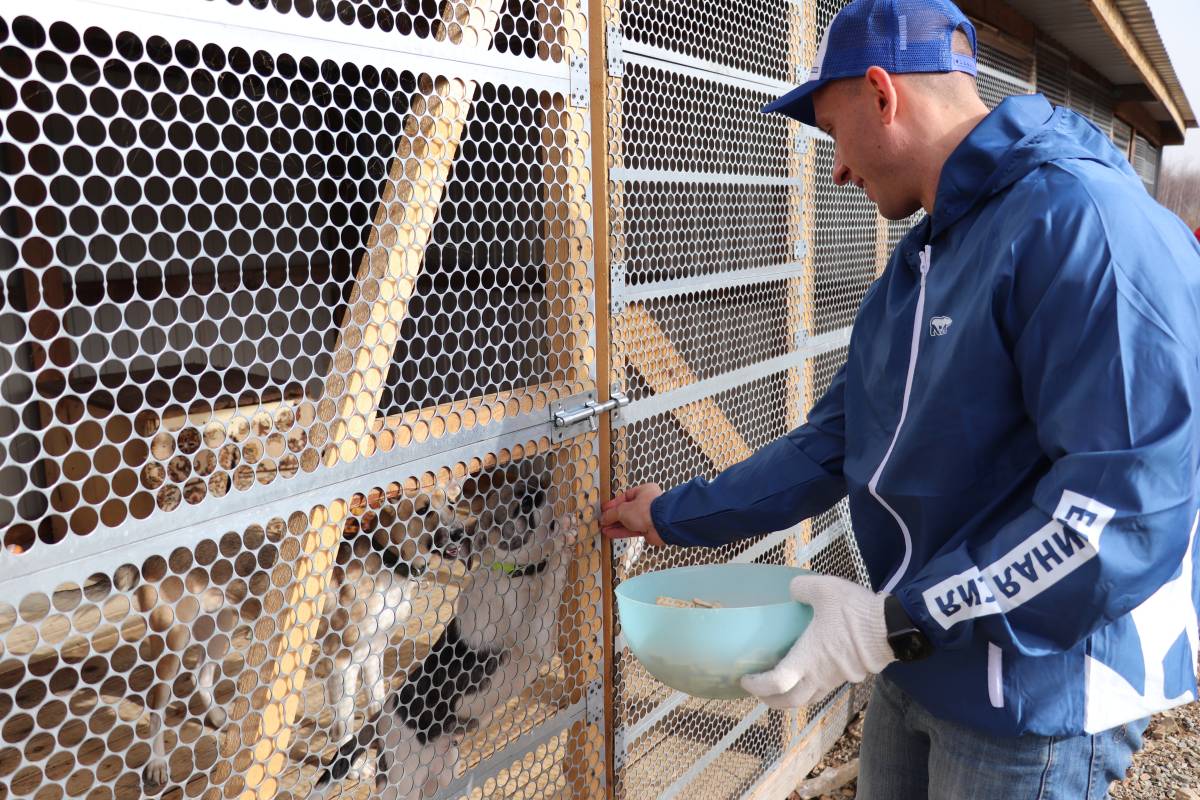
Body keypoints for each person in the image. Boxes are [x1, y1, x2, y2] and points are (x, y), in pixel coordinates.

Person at [600, 1, 1200, 797]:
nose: (838, 169)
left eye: (833, 131)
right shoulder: (922, 261)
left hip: (1033, 693)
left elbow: (1117, 514)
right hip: (914, 658)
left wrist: (896, 622)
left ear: (883, 95)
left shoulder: (1080, 222)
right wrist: (673, 513)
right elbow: (832, 441)